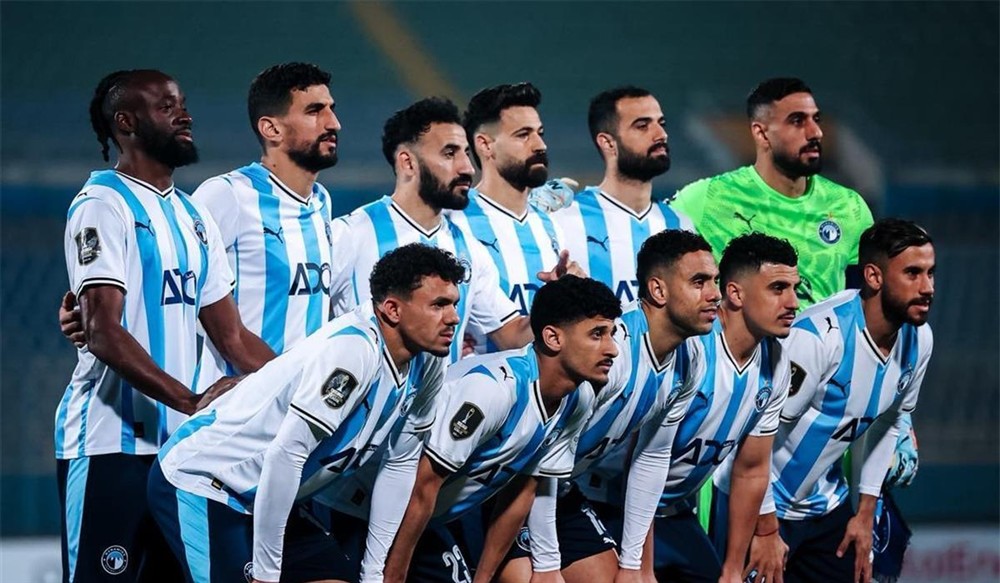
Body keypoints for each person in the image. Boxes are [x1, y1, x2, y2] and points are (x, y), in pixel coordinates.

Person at [58, 70, 274, 583]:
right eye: (166, 107)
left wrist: (296, 382)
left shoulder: (193, 215)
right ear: (126, 123)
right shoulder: (102, 204)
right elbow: (103, 331)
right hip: (110, 444)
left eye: (183, 104)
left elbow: (232, 337)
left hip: (181, 454)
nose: (185, 116)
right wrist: (190, 400)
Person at [147, 243, 464, 583]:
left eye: (454, 304)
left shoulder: (430, 360)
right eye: (438, 305)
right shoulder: (353, 351)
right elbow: (287, 454)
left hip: (271, 497)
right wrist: (267, 574)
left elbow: (400, 463)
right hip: (206, 483)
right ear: (392, 310)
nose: (454, 318)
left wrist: (373, 573)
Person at [374, 275, 623, 583]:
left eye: (611, 334)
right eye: (597, 334)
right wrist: (394, 574)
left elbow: (522, 490)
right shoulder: (493, 390)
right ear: (553, 338)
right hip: (372, 508)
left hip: (433, 516)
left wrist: (485, 578)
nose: (612, 349)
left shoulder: (578, 399)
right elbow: (422, 484)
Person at [737, 219, 934, 583]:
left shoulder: (919, 340)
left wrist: (865, 512)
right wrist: (765, 528)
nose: (927, 288)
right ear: (873, 277)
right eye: (913, 274)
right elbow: (753, 437)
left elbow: (891, 422)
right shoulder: (818, 339)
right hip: (764, 506)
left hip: (827, 505)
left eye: (930, 273)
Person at [618, 233, 799, 583]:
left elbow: (751, 470)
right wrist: (642, 567)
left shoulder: (776, 363)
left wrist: (731, 570)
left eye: (795, 289)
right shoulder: (692, 347)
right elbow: (641, 461)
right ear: (736, 294)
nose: (793, 303)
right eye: (778, 289)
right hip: (621, 508)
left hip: (675, 514)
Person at [328, 97, 549, 362]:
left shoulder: (468, 249)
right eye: (449, 153)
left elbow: (510, 336)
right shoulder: (351, 234)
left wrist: (557, 299)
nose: (467, 168)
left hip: (440, 391)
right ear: (408, 163)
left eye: (466, 153)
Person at [185, 62, 340, 387]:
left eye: (331, 109)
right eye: (314, 111)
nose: (333, 123)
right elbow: (169, 284)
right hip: (238, 405)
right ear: (271, 129)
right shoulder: (228, 196)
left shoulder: (321, 201)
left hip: (302, 403)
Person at [669, 77, 873, 309]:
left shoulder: (848, 206)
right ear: (761, 133)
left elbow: (869, 298)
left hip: (826, 334)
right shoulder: (709, 198)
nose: (815, 132)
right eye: (797, 121)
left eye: (816, 119)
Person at [551, 86, 694, 305]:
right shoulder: (564, 220)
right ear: (608, 143)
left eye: (661, 123)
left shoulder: (680, 224)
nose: (661, 134)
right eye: (643, 126)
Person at [447, 82, 568, 320]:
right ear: (485, 145)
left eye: (540, 133)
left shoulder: (550, 226)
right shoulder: (453, 223)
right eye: (523, 135)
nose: (540, 145)